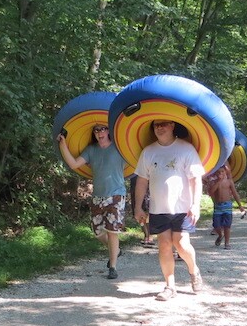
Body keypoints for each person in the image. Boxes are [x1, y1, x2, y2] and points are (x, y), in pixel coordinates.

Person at [133, 120, 206, 301]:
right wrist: (137, 206)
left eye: (163, 124)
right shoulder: (148, 152)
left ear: (172, 126)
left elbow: (196, 179)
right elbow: (142, 181)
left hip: (183, 208)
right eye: (156, 125)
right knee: (164, 245)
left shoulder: (186, 149)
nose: (159, 127)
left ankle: (193, 270)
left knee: (181, 244)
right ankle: (169, 286)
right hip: (158, 209)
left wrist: (196, 204)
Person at [58, 122, 127, 280]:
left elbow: (134, 156)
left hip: (116, 195)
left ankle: (113, 267)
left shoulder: (119, 148)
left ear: (108, 131)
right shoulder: (91, 150)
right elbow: (74, 164)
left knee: (112, 231)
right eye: (96, 130)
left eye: (102, 129)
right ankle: (115, 251)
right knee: (97, 232)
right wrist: (63, 144)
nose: (99, 132)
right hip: (98, 196)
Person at [207, 163, 246, 249]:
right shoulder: (214, 182)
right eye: (218, 173)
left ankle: (227, 243)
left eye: (222, 172)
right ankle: (220, 235)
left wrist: (240, 205)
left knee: (227, 225)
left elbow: (235, 193)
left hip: (227, 205)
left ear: (225, 172)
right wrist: (219, 181)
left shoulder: (229, 182)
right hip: (218, 206)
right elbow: (211, 192)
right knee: (216, 225)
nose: (220, 174)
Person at [130, 175, 153, 247]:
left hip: (146, 184)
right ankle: (146, 235)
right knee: (139, 213)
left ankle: (149, 235)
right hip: (135, 183)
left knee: (147, 210)